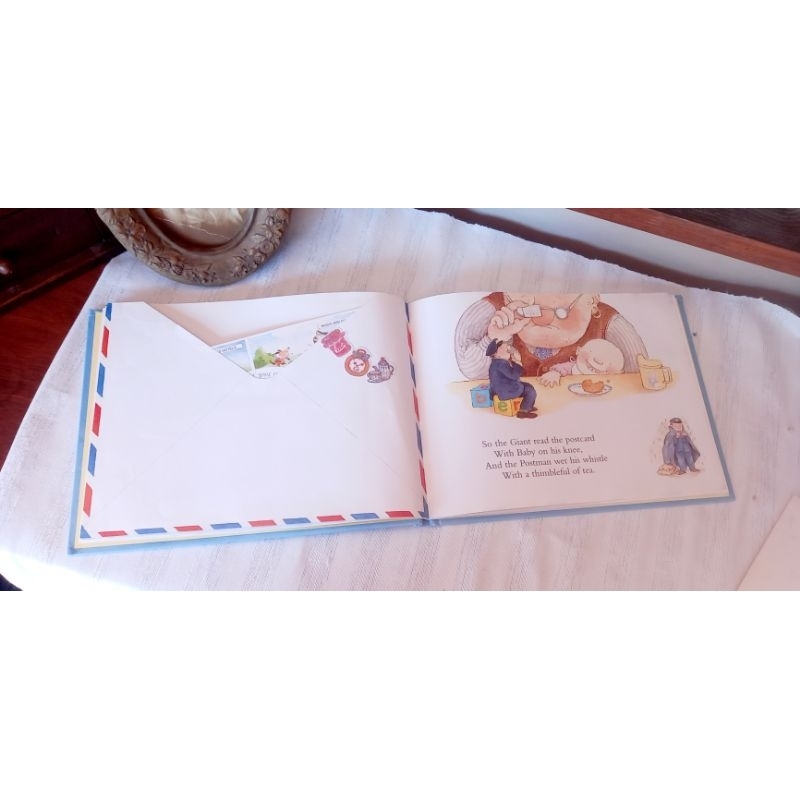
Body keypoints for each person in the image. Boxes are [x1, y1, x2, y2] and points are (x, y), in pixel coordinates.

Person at [455, 292, 647, 380]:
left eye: (561, 311)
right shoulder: (495, 312)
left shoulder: (607, 322)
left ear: (592, 300)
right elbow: (470, 370)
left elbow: (639, 374)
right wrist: (493, 338)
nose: (541, 319)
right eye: (529, 307)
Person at [538, 338, 625, 387]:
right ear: (578, 351)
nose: (598, 360)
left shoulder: (606, 378)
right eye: (592, 351)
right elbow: (559, 369)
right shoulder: (571, 367)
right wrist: (554, 373)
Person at [486, 339, 538, 419]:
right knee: (529, 390)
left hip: (502, 391)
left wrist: (492, 394)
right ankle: (523, 411)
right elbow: (514, 375)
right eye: (505, 350)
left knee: (528, 386)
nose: (509, 352)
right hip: (508, 391)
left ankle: (528, 405)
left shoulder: (496, 363)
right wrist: (518, 362)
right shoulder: (501, 363)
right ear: (496, 354)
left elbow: (495, 381)